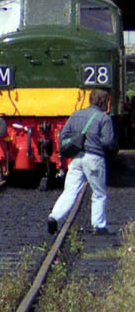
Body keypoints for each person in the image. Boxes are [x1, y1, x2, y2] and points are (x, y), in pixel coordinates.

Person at [46, 88, 117, 237]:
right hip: (94, 158)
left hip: (76, 159)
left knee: (70, 191)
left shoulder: (76, 115)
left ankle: (54, 217)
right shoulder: (104, 118)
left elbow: (63, 135)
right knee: (99, 193)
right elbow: (108, 141)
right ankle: (99, 226)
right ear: (104, 102)